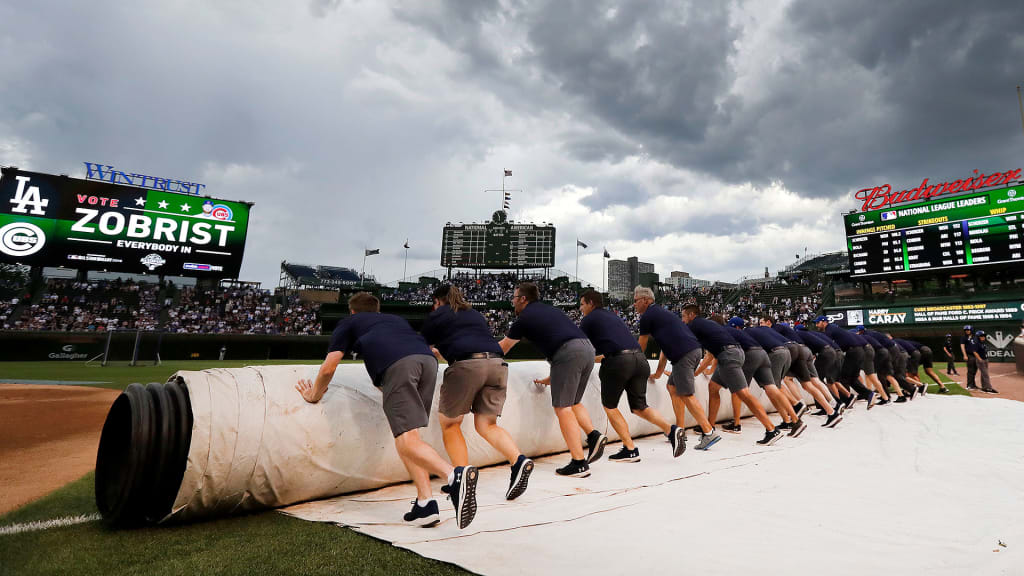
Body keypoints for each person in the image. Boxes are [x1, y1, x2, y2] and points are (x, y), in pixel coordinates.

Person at [296, 292, 478, 529]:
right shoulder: (394, 320)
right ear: (378, 310)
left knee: (406, 440)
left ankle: (454, 476)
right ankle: (425, 504)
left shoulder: (350, 322)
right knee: (409, 437)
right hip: (428, 363)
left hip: (400, 365)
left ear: (352, 311)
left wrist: (313, 394)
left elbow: (329, 368)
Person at [421, 284, 533, 500]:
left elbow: (420, 344)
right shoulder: (474, 314)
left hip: (467, 366)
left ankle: (461, 477)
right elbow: (471, 345)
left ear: (438, 301)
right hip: (497, 364)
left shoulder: (439, 313)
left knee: (451, 424)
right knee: (487, 425)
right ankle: (518, 460)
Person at [498, 283, 606, 478]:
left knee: (562, 408)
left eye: (514, 297)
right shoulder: (550, 309)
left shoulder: (524, 318)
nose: (512, 301)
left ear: (523, 299)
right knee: (573, 402)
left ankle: (579, 462)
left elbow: (503, 348)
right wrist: (554, 377)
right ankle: (593, 435)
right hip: (587, 349)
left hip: (568, 353)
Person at [577, 289, 686, 462]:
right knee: (639, 407)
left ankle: (630, 448)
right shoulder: (614, 317)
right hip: (639, 360)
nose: (580, 308)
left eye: (582, 304)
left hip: (618, 361)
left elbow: (579, 346)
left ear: (591, 303)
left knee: (610, 406)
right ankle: (671, 430)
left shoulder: (589, 319)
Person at [633, 286, 722, 451]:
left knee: (687, 394)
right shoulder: (662, 314)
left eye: (636, 301)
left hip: (684, 354)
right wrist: (659, 372)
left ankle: (709, 431)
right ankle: (680, 430)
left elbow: (640, 347)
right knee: (672, 387)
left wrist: (633, 367)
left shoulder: (648, 317)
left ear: (646, 300)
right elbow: (665, 347)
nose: (634, 305)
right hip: (692, 351)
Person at [682, 305, 783, 445]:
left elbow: (687, 345)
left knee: (744, 394)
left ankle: (771, 429)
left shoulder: (695, 324)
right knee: (713, 387)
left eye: (683, 316)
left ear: (691, 315)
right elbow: (710, 355)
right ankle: (709, 427)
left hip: (728, 356)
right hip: (732, 354)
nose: (683, 320)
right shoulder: (707, 324)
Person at [727, 317, 806, 437]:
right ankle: (791, 420)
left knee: (740, 389)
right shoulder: (757, 330)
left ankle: (736, 424)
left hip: (773, 353)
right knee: (773, 387)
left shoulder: (743, 333)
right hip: (782, 351)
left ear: (737, 328)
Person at [763, 319, 844, 426]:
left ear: (768, 322)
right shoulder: (792, 332)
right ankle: (833, 409)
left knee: (782, 381)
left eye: (761, 323)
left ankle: (798, 405)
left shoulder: (775, 328)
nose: (761, 326)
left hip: (791, 350)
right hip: (804, 349)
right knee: (811, 382)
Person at [814, 316, 877, 410]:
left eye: (817, 323)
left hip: (853, 351)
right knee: (852, 378)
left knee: (843, 378)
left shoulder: (829, 330)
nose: (816, 325)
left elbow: (826, 344)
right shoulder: (834, 329)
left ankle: (851, 399)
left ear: (824, 322)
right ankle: (867, 395)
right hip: (859, 351)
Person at [960, 326, 977, 390]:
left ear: (971, 330)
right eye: (966, 330)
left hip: (976, 355)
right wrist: (965, 355)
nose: (967, 331)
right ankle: (969, 385)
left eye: (968, 330)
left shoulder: (975, 337)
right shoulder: (963, 337)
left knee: (975, 370)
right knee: (970, 371)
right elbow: (962, 346)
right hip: (969, 355)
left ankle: (973, 385)